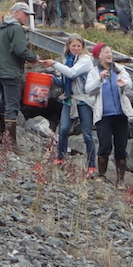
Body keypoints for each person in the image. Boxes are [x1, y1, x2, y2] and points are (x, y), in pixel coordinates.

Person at [0, 2, 40, 154]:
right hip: (10, 72)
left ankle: (2, 136)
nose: (26, 18)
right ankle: (11, 142)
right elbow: (19, 49)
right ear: (16, 13)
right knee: (12, 105)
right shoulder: (16, 28)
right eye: (25, 14)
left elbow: (6, 50)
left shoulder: (1, 28)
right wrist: (33, 57)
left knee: (3, 102)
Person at [41, 35, 96, 176]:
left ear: (82, 47)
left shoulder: (86, 60)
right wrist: (51, 78)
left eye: (79, 46)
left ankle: (91, 165)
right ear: (68, 46)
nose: (76, 49)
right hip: (69, 98)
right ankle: (60, 158)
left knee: (87, 133)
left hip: (83, 99)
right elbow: (64, 81)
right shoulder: (67, 60)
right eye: (74, 46)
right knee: (64, 129)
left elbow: (72, 73)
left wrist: (54, 63)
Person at [85, 43, 133, 189]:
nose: (109, 55)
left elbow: (130, 83)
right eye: (106, 52)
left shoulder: (119, 69)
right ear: (99, 56)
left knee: (121, 147)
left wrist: (124, 83)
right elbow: (88, 90)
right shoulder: (94, 72)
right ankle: (102, 175)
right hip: (103, 116)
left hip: (120, 114)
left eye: (110, 52)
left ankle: (120, 180)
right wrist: (100, 80)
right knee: (105, 145)